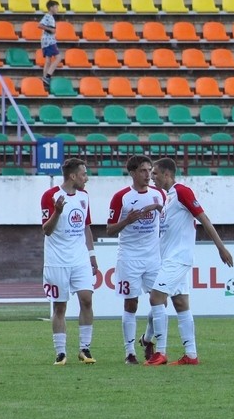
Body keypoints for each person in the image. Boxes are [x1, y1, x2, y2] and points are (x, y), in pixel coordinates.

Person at [145, 157, 233, 367]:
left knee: (156, 298)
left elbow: (203, 218)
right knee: (181, 303)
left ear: (167, 174)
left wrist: (221, 247)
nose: (152, 177)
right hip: (170, 258)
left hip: (177, 258)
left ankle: (160, 352)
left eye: (155, 173)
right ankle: (191, 355)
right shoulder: (169, 197)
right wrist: (157, 207)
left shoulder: (182, 191)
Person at [105, 155, 165, 364]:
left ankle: (147, 339)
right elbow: (109, 229)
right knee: (131, 303)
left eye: (149, 170)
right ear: (132, 173)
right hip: (129, 258)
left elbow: (167, 218)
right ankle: (130, 352)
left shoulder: (159, 194)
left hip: (153, 257)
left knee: (160, 301)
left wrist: (158, 208)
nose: (148, 175)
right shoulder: (121, 197)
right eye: (142, 171)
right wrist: (127, 221)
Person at [40, 157, 97, 366]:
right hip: (57, 260)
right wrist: (57, 212)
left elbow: (86, 226)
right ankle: (61, 352)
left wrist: (92, 255)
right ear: (73, 176)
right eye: (83, 174)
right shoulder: (50, 196)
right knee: (60, 306)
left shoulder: (84, 196)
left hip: (80, 258)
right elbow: (46, 230)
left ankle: (84, 348)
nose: (86, 178)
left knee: (87, 300)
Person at [39, 0, 61, 90]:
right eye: (56, 7)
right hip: (49, 41)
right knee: (58, 57)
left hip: (47, 41)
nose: (57, 9)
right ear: (51, 8)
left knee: (48, 61)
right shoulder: (48, 16)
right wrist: (51, 29)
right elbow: (40, 25)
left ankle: (45, 79)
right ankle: (48, 76)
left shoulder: (50, 17)